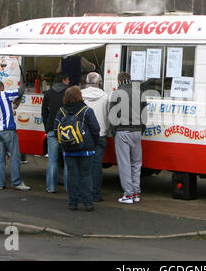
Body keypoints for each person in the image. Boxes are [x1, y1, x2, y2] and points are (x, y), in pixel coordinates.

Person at [54, 86, 100, 211]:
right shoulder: (86, 111)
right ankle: (88, 204)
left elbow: (55, 129)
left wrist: (64, 144)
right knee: (86, 176)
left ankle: (72, 203)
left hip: (68, 149)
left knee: (72, 176)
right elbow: (96, 129)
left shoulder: (61, 111)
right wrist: (92, 143)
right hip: (86, 149)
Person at [109, 72, 147, 204]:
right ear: (129, 80)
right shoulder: (140, 92)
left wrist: (114, 133)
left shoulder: (116, 94)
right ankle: (136, 192)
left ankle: (128, 194)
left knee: (124, 163)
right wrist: (141, 129)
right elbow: (145, 114)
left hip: (122, 131)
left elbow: (112, 116)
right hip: (136, 131)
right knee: (136, 163)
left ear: (119, 80)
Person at [0, 80, 30, 191]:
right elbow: (20, 91)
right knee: (15, 157)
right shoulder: (3, 94)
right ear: (1, 87)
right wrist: (24, 83)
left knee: (0, 158)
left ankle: (0, 183)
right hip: (9, 131)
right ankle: (17, 182)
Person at [81, 72, 109, 202]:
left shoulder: (80, 95)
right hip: (100, 134)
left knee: (82, 165)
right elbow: (109, 116)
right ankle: (96, 194)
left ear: (86, 82)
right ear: (99, 82)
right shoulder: (105, 96)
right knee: (97, 165)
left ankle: (83, 193)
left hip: (83, 134)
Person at [41, 72, 70, 193]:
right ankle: (69, 188)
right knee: (68, 160)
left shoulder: (48, 93)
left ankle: (51, 187)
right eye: (68, 79)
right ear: (63, 80)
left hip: (52, 129)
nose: (69, 81)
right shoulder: (69, 93)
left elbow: (44, 112)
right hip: (66, 130)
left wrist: (47, 127)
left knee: (52, 160)